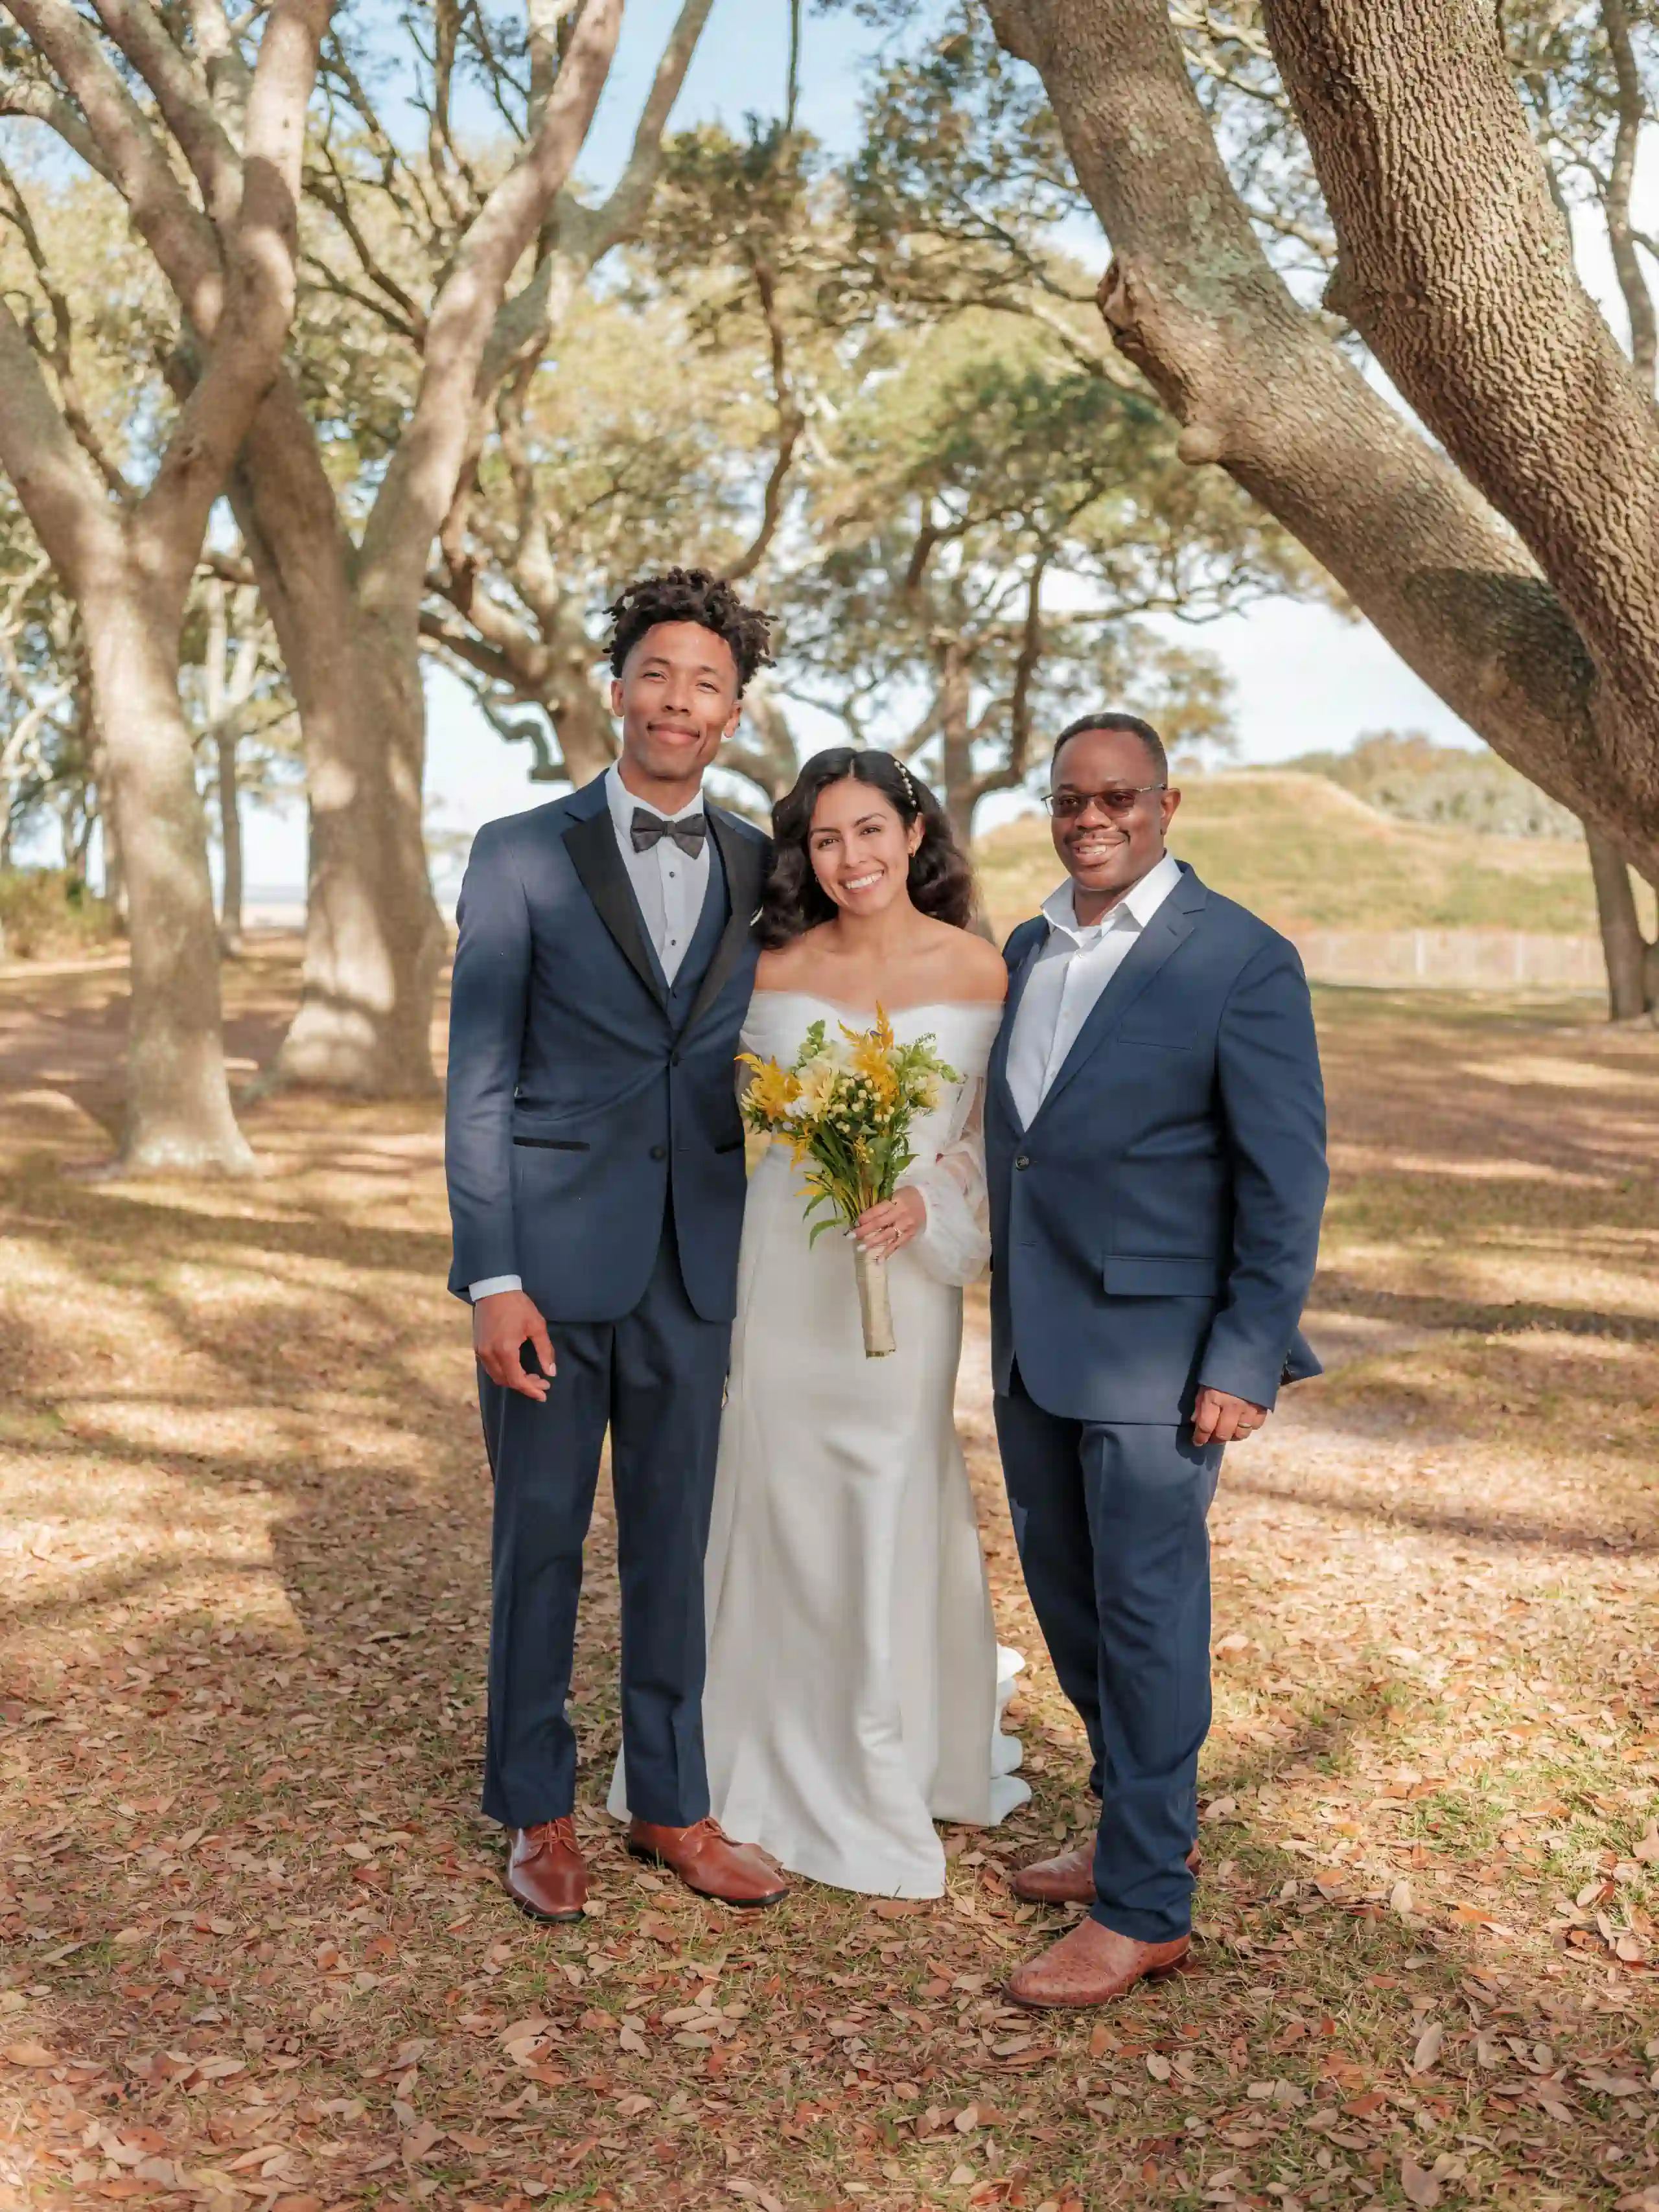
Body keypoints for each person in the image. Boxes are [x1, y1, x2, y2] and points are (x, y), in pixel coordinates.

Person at [608, 748, 1030, 1895]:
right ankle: (747, 1745)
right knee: (776, 1484)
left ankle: (884, 1748)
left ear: (914, 830)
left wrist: (925, 1201)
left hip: (906, 1282)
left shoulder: (982, 971)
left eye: (870, 831)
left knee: (887, 1482)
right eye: (825, 839)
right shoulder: (767, 971)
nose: (851, 858)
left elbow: (993, 1140)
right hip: (783, 1278)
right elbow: (697, 1107)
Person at [444, 568, 789, 1922]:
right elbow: (477, 1081)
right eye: (658, 674)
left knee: (673, 1539)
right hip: (544, 1270)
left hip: (694, 1267)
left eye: (706, 683)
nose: (678, 701)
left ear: (733, 711)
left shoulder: (766, 866)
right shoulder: (517, 850)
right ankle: (534, 1809)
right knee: (537, 1537)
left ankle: (670, 1803)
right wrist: (493, 1275)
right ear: (615, 688)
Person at [987, 711, 1328, 2007]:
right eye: (1068, 800)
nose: (1089, 821)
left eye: (1115, 799)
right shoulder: (1027, 946)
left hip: (1159, 1356)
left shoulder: (1237, 958)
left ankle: (1144, 1910)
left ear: (1166, 804)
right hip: (1033, 1344)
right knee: (1071, 1607)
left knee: (1144, 1622)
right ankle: (1135, 1821)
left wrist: (1243, 1354)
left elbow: (1283, 1177)